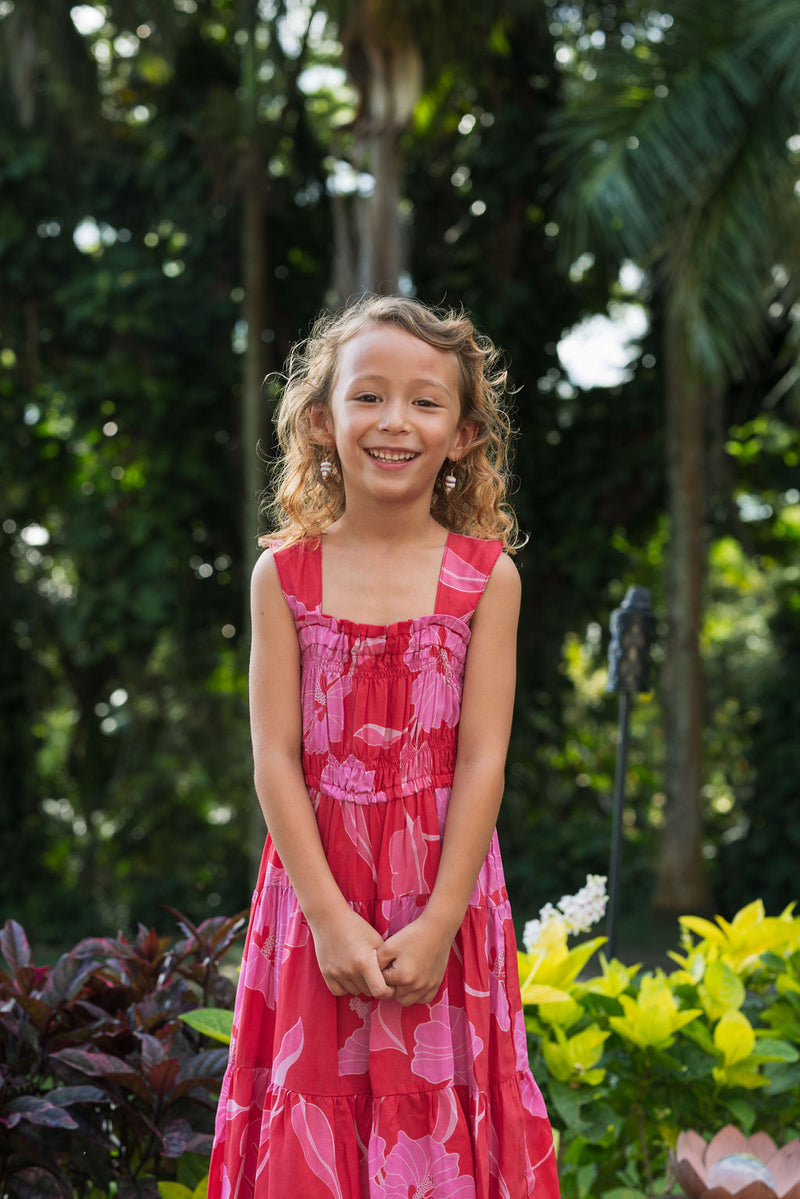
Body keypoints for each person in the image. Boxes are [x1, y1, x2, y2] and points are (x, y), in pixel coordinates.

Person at [207, 295, 561, 1199]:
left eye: (425, 402)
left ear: (465, 434)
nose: (395, 420)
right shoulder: (283, 572)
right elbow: (274, 758)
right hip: (315, 899)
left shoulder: (487, 578)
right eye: (369, 396)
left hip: (443, 903)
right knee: (314, 1114)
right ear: (321, 421)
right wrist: (326, 916)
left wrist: (442, 922)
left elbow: (483, 759)